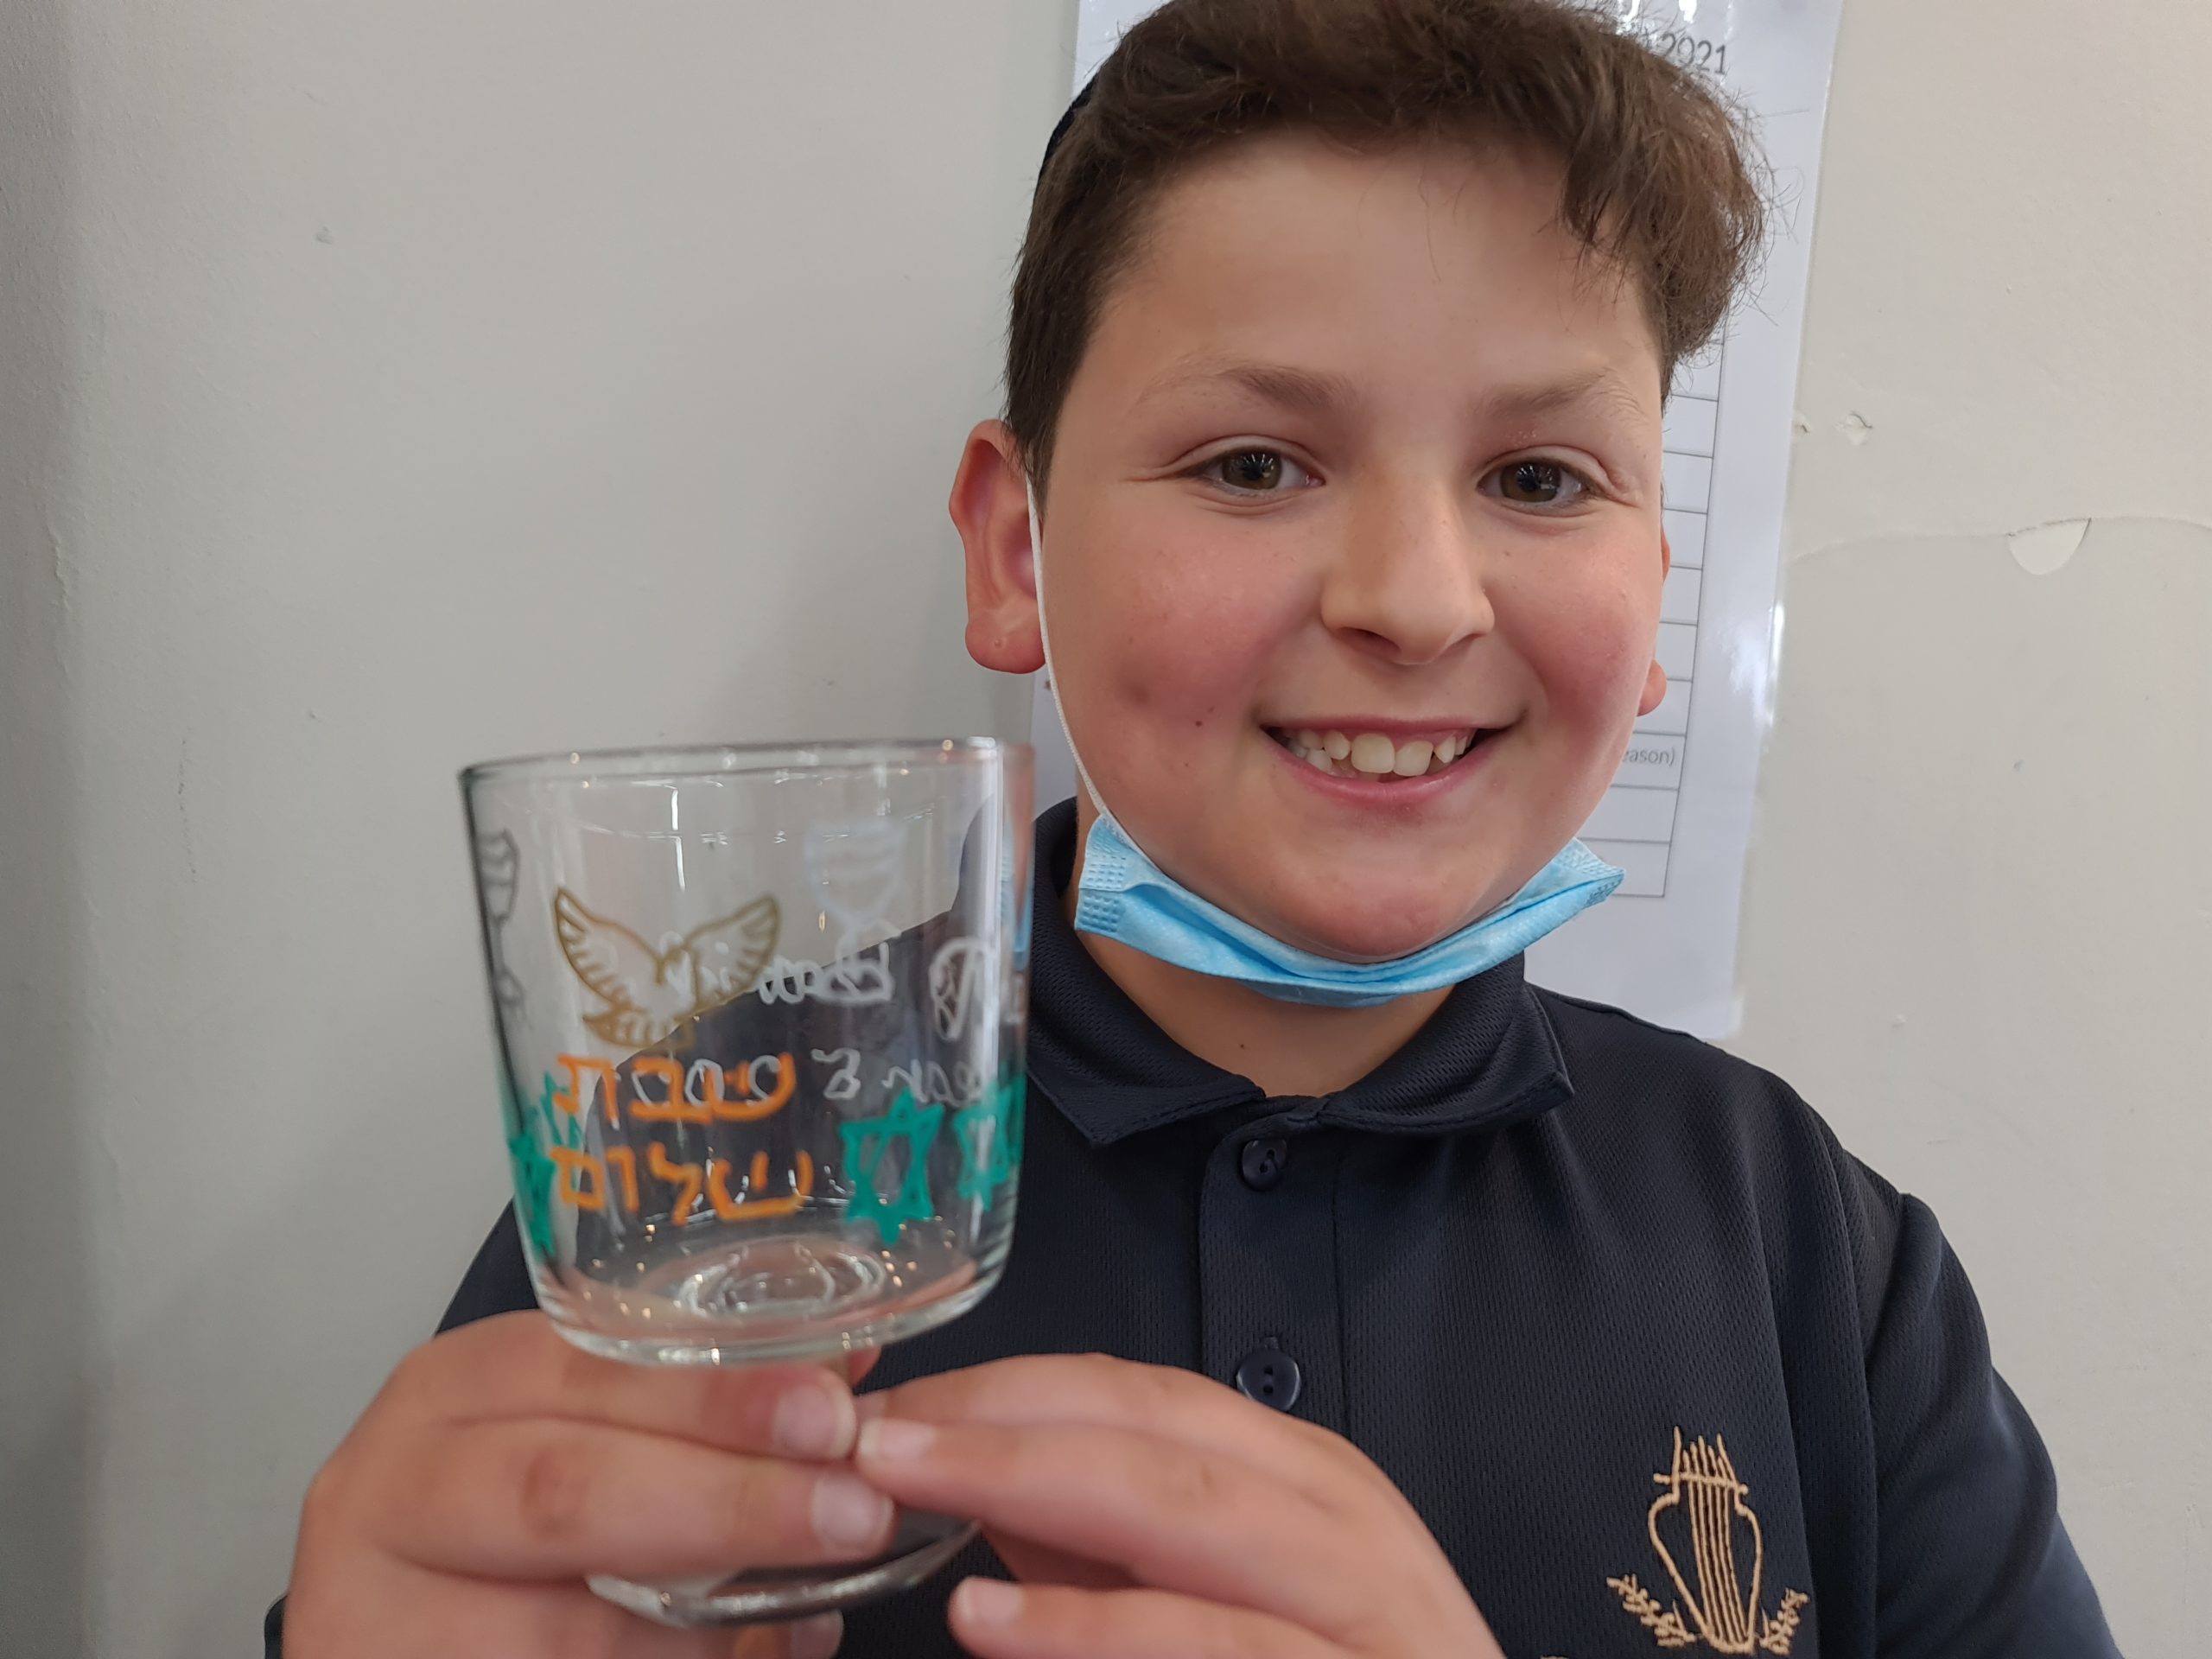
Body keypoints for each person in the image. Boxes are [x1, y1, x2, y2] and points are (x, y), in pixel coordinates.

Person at [271, 2, 2121, 1655]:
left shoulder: (1804, 1250)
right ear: (1016, 552)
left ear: (1655, 591)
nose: (1413, 599)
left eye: (1540, 478)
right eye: (1252, 463)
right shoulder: (715, 1163)